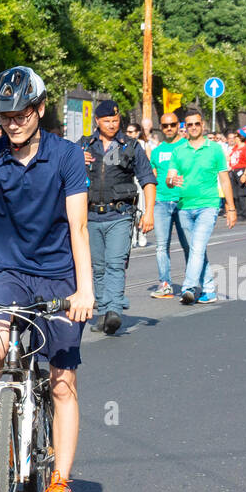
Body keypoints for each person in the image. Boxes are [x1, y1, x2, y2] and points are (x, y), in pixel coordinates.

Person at [0, 65, 94, 492]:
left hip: (60, 277)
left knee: (62, 382)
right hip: (12, 272)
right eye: (4, 117)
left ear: (40, 109)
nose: (12, 123)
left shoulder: (68, 155)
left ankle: (58, 482)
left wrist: (85, 290)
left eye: (22, 114)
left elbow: (79, 225)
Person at [78, 101, 155, 335]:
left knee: (115, 263)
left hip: (120, 214)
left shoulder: (129, 146)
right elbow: (60, 172)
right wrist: (76, 161)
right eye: (106, 121)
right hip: (90, 215)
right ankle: (103, 311)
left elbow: (148, 179)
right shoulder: (83, 146)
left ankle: (113, 311)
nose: (112, 124)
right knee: (97, 267)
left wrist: (149, 213)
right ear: (97, 122)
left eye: (115, 120)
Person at [167, 107, 236, 304]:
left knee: (197, 247)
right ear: (185, 127)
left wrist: (230, 208)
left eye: (197, 123)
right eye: (190, 124)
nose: (194, 127)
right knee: (196, 249)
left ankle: (188, 288)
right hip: (184, 207)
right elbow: (169, 178)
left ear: (203, 125)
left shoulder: (214, 149)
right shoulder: (179, 151)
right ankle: (209, 290)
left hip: (208, 205)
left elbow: (224, 180)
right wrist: (172, 180)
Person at [148, 112, 191, 299]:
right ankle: (165, 284)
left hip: (183, 201)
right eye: (165, 126)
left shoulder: (187, 146)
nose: (169, 129)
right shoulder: (157, 151)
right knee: (161, 246)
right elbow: (152, 176)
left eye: (172, 125)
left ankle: (191, 283)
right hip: (161, 202)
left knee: (188, 245)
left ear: (178, 125)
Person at [126, 122, 151, 248]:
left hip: (139, 180)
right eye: (127, 132)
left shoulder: (143, 145)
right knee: (130, 209)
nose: (128, 134)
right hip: (129, 180)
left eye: (131, 132)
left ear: (137, 133)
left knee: (141, 208)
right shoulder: (124, 145)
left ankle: (142, 233)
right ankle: (132, 235)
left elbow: (148, 165)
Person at [227, 128, 246, 220]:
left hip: (241, 170)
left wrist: (245, 174)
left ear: (240, 138)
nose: (234, 139)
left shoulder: (245, 148)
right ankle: (238, 211)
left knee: (242, 193)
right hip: (234, 171)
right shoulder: (235, 148)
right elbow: (229, 158)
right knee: (235, 193)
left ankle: (245, 213)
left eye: (235, 137)